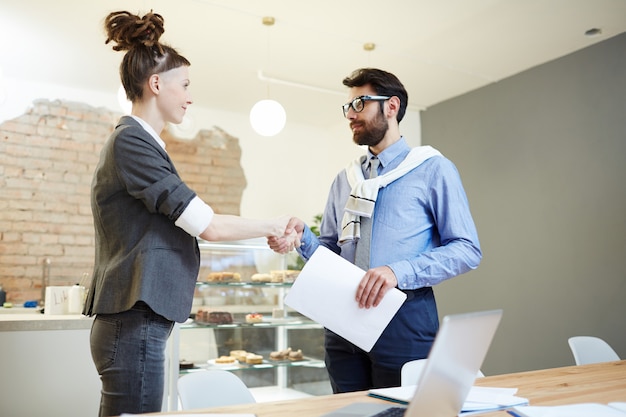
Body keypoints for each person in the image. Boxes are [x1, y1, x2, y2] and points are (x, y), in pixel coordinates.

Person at [85, 11, 296, 417]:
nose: (189, 96)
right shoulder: (132, 143)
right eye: (184, 85)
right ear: (156, 83)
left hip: (135, 324)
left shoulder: (140, 144)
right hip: (133, 323)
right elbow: (208, 225)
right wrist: (274, 224)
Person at [269, 68, 481, 393]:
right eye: (348, 107)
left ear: (391, 107)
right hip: (342, 324)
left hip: (405, 321)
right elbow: (331, 252)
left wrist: (397, 272)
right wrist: (303, 239)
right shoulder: (346, 180)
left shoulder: (432, 169)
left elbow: (466, 249)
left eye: (360, 104)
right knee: (347, 412)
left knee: (401, 415)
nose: (350, 115)